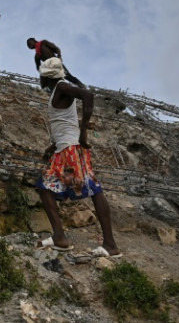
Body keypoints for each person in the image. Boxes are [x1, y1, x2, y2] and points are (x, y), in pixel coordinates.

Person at [35, 58, 120, 257]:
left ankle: (110, 244)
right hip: (64, 148)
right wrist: (53, 146)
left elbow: (87, 95)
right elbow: (64, 122)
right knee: (45, 187)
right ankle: (60, 237)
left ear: (46, 75)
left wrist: (83, 133)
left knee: (93, 189)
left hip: (72, 150)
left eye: (41, 74)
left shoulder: (62, 87)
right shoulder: (58, 90)